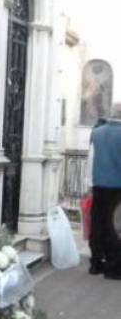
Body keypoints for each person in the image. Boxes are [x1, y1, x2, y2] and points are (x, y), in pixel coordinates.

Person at [86, 103, 121, 279]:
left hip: (99, 186)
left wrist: (88, 185)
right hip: (118, 189)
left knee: (98, 224)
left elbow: (90, 160)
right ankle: (114, 268)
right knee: (115, 227)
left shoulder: (96, 132)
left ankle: (96, 263)